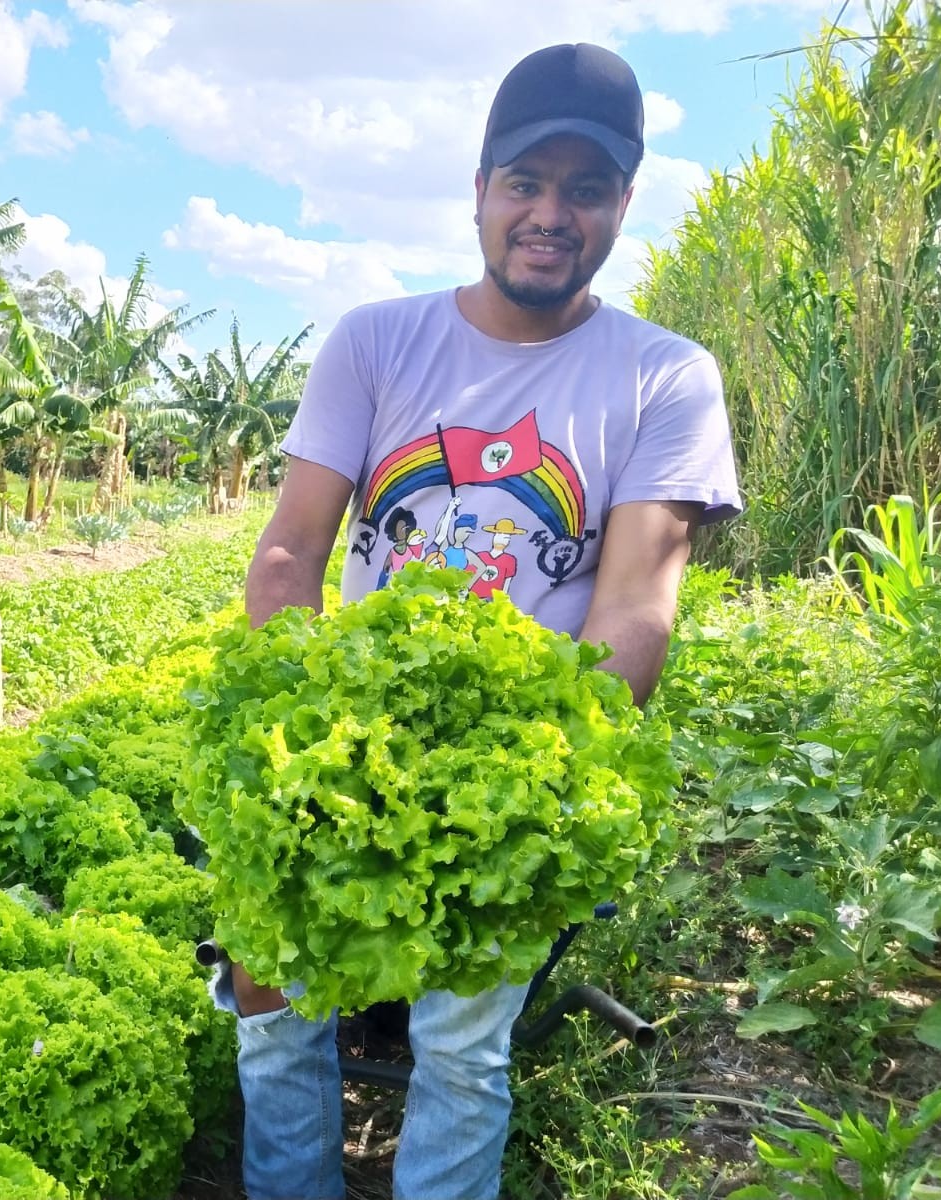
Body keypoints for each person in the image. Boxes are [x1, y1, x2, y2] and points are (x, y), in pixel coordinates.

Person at [217, 42, 742, 1200]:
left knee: (458, 1048)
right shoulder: (377, 340)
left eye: (585, 190)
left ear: (620, 206)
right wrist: (298, 748)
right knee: (270, 1001)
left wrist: (524, 801)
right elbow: (291, 551)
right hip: (337, 755)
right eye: (525, 183)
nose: (549, 215)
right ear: (478, 189)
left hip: (519, 787)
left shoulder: (665, 379)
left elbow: (632, 615)